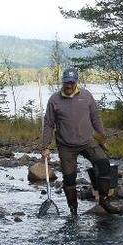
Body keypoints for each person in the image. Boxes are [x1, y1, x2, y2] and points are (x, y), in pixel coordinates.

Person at [40, 67, 112, 217]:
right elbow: (48, 124)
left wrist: (103, 138)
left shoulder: (86, 96)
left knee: (104, 164)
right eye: (67, 83)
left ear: (76, 82)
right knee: (69, 178)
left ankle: (104, 199)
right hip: (66, 146)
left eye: (72, 83)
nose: (69, 86)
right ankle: (73, 211)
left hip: (87, 141)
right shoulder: (54, 100)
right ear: (63, 82)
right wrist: (45, 146)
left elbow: (95, 118)